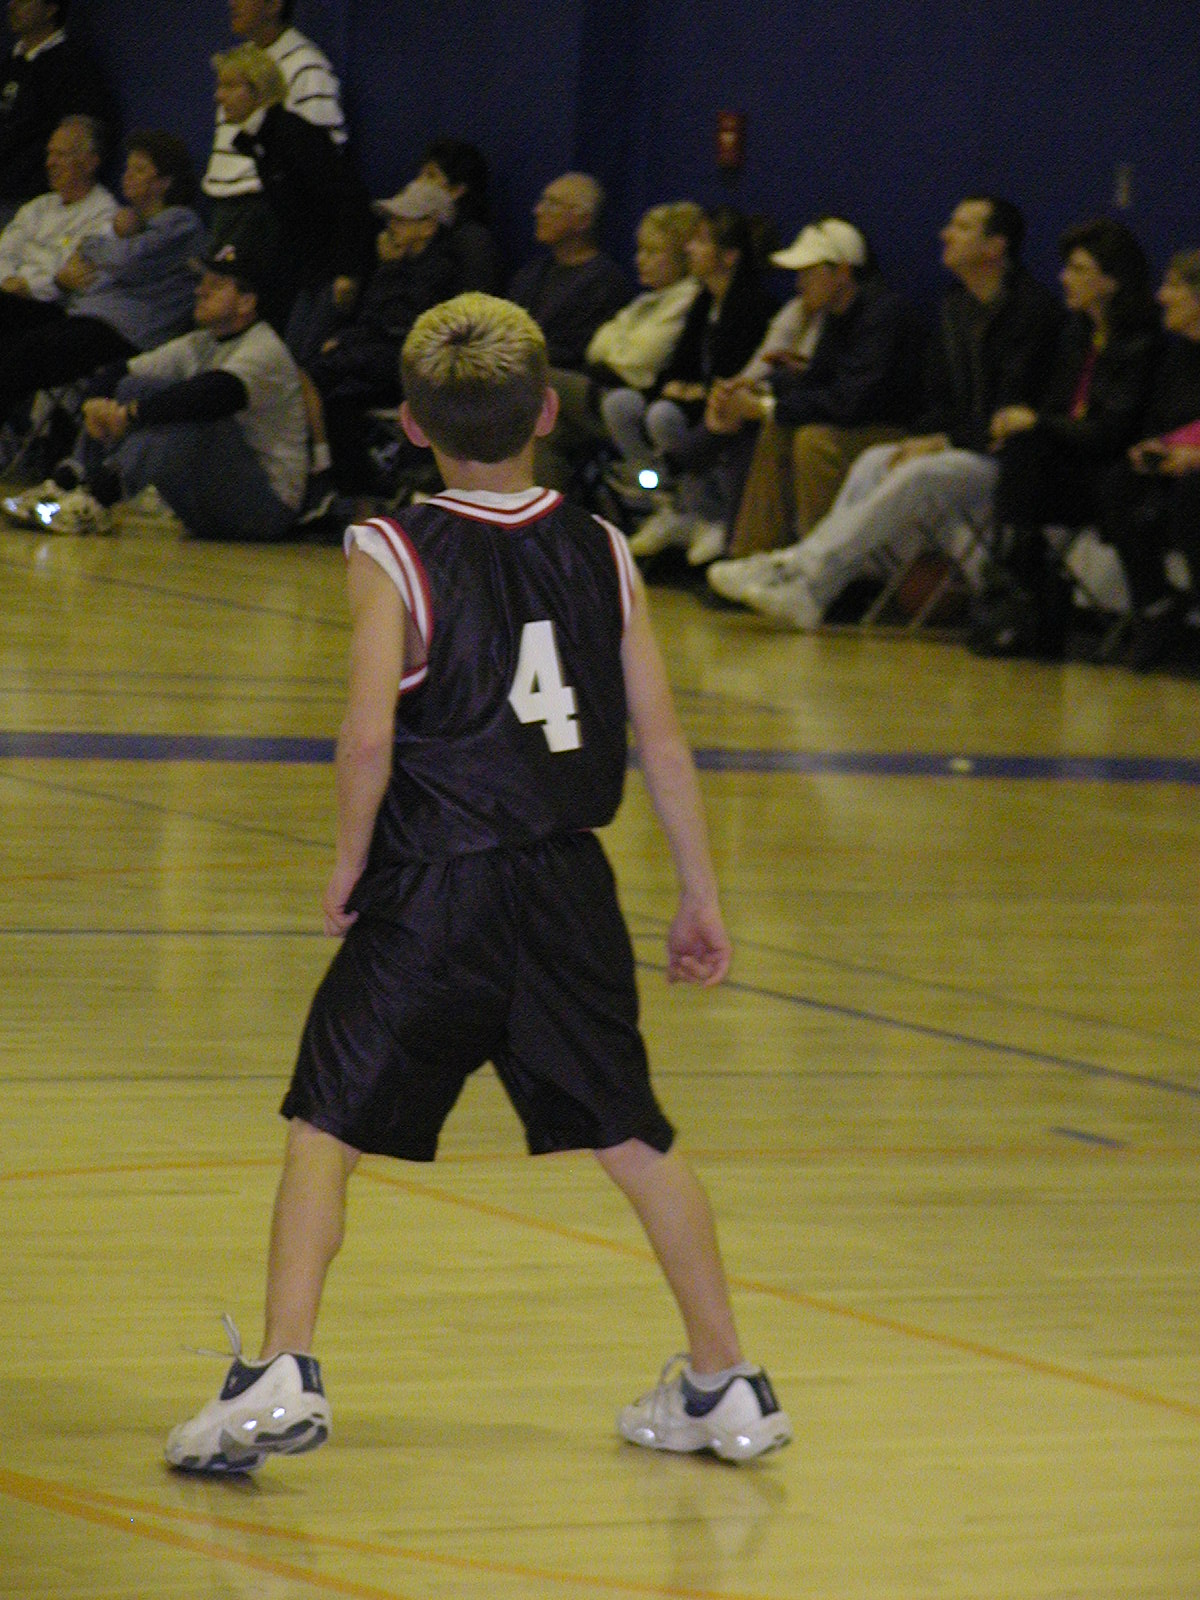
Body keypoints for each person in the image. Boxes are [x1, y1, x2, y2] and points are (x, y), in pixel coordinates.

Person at [165, 291, 792, 1474]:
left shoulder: (391, 548)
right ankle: (727, 1381)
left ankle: (282, 1368)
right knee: (633, 1134)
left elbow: (367, 735)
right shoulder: (605, 548)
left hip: (435, 887)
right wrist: (700, 890)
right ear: (548, 411)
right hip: (569, 887)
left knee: (325, 1122)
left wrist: (349, 862)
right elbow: (661, 740)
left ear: (411, 424)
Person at [706, 195, 1062, 626]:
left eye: (962, 227)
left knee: (910, 470)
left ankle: (801, 568)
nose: (945, 234)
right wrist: (764, 393)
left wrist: (942, 439)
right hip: (953, 444)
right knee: (875, 460)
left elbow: (1009, 411)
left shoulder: (1031, 312)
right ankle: (811, 589)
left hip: (1008, 458)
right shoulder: (956, 306)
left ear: (995, 247)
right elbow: (936, 397)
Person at [649, 217, 922, 567]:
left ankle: (817, 565)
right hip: (854, 422)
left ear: (841, 272)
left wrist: (765, 406)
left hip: (893, 431)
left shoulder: (883, 314)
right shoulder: (839, 314)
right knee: (779, 427)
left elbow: (852, 401)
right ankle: (752, 555)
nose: (799, 282)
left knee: (812, 440)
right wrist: (755, 389)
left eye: (807, 272)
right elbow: (818, 382)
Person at [5, 237, 308, 540]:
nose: (199, 291)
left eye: (215, 286)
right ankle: (67, 483)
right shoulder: (199, 342)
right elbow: (119, 372)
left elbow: (217, 392)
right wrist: (95, 403)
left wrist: (129, 415)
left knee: (194, 417)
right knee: (134, 386)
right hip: (205, 506)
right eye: (202, 282)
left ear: (246, 302)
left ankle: (98, 499)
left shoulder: (263, 348)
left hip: (264, 509)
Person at [977, 217, 1159, 656]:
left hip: (1110, 476)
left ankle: (1017, 584)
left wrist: (1036, 424)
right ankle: (1018, 577)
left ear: (1112, 280)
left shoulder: (1141, 345)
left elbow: (1111, 433)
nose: (1064, 278)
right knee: (1021, 448)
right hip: (1066, 470)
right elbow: (1057, 410)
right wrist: (1018, 424)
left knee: (1027, 447)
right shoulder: (1075, 335)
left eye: (1078, 270)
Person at [0, 129, 205, 427]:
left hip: (122, 330)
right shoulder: (132, 223)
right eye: (127, 168)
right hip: (82, 312)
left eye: (139, 170)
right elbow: (88, 262)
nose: (127, 176)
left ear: (164, 182)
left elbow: (126, 261)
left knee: (20, 357)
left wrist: (104, 241)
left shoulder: (181, 223)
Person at [608, 206, 774, 564]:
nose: (689, 249)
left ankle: (707, 513)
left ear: (729, 256)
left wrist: (694, 390)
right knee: (620, 403)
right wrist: (680, 386)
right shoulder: (704, 299)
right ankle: (665, 504)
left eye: (700, 242)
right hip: (696, 401)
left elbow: (731, 377)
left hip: (725, 410)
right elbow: (679, 366)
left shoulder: (752, 305)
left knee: (663, 415)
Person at [206, 43, 373, 341]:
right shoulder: (263, 142)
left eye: (229, 86)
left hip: (333, 270)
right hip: (311, 272)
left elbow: (347, 200)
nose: (219, 96)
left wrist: (349, 271)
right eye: (220, 86)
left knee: (304, 354)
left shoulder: (294, 135)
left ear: (258, 89)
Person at [305, 176, 460, 490]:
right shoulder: (399, 265)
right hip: (380, 355)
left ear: (429, 226)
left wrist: (389, 268)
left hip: (409, 363)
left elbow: (398, 323)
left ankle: (329, 474)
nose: (391, 226)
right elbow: (371, 319)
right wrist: (345, 339)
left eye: (402, 219)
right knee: (337, 398)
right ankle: (351, 489)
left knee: (314, 377)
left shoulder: (439, 269)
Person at [535, 198, 702, 489]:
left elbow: (638, 363)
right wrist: (621, 348)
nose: (640, 260)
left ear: (682, 257)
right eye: (639, 251)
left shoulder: (688, 300)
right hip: (603, 388)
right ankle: (549, 510)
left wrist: (619, 347)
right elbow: (597, 348)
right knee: (547, 429)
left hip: (628, 400)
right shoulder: (647, 301)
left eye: (652, 252)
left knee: (531, 376)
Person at [1091, 251, 1200, 668]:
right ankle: (1155, 605)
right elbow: (1161, 420)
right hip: (1178, 466)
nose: (1161, 296)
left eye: (1173, 286)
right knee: (1119, 483)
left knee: (1192, 495)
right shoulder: (1181, 356)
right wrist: (1154, 447)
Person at [202, 0, 347, 210]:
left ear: (274, 5)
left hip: (265, 207)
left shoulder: (306, 66)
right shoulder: (235, 64)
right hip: (224, 206)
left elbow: (324, 161)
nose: (232, 3)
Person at [0, 0, 115, 222]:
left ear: (51, 8)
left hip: (33, 204)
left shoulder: (74, 68)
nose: (12, 5)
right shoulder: (9, 65)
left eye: (24, 0)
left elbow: (80, 140)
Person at [0, 114, 115, 327]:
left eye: (60, 155)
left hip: (48, 309)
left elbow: (70, 277)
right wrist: (7, 280)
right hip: (8, 294)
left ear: (90, 163)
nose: (49, 163)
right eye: (50, 154)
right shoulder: (39, 206)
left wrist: (27, 286)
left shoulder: (103, 215)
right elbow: (5, 251)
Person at [508, 172, 630, 370]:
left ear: (584, 220)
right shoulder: (532, 272)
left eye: (552, 204)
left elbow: (574, 352)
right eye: (541, 202)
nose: (537, 211)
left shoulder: (605, 283)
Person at [417, 137, 499, 292]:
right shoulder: (422, 231)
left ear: (456, 190)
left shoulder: (474, 243)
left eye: (430, 176)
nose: (419, 183)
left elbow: (474, 302)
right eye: (420, 175)